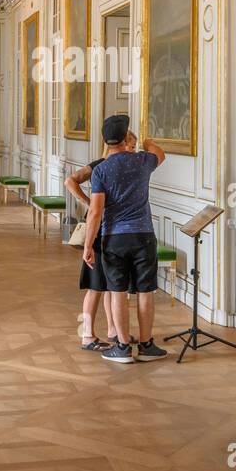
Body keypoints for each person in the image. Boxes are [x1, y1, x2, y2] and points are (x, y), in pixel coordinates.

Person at [81, 114, 167, 364]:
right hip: (143, 235)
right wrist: (147, 141)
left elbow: (96, 212)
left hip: (114, 237)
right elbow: (160, 154)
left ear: (106, 141)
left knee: (117, 291)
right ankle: (147, 345)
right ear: (126, 137)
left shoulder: (102, 170)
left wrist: (88, 245)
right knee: (145, 291)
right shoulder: (142, 160)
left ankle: (122, 347)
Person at [65, 131, 135, 352]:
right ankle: (87, 335)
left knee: (110, 285)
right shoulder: (100, 166)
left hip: (115, 230)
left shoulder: (126, 167)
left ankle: (114, 329)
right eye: (131, 145)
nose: (133, 150)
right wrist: (89, 203)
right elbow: (70, 181)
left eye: (134, 146)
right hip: (99, 230)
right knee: (95, 286)